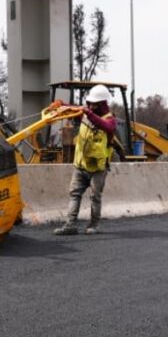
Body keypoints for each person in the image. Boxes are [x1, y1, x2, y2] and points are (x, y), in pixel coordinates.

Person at [54, 84, 117, 236]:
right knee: (74, 194)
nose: (89, 105)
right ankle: (70, 225)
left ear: (102, 104)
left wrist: (89, 113)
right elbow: (73, 110)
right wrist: (61, 105)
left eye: (93, 104)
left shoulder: (110, 120)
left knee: (95, 197)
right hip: (80, 165)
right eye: (89, 103)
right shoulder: (85, 114)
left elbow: (107, 127)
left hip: (98, 168)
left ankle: (93, 225)